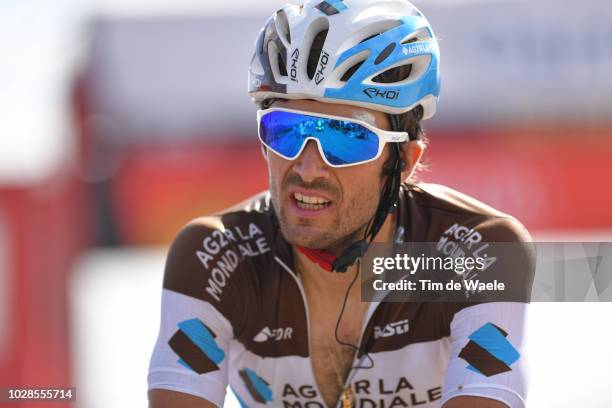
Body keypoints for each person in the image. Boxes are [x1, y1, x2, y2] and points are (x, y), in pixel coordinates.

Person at [148, 1, 533, 407]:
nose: (308, 168)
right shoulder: (214, 257)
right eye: (285, 130)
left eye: (345, 138)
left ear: (403, 161)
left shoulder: (481, 251)